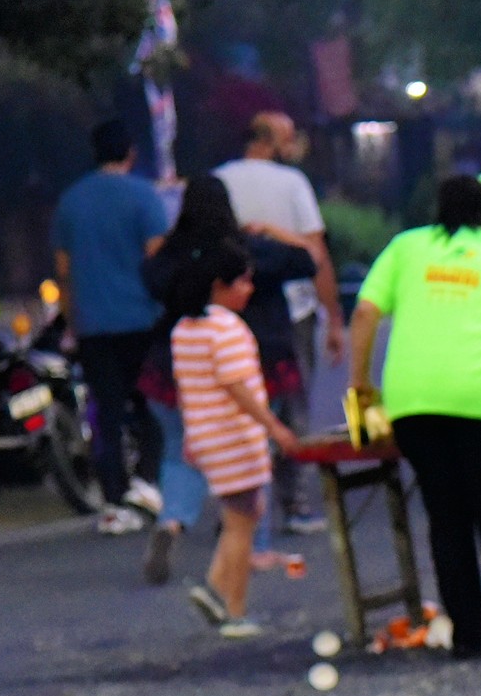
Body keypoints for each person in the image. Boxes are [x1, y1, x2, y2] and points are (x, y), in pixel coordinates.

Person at [349, 177, 481, 658]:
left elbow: (364, 314)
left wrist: (362, 387)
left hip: (412, 403)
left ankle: (468, 635)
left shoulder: (406, 247)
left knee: (446, 516)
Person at [139, 178, 317, 584]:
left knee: (178, 452)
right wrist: (272, 231)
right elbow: (307, 260)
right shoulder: (245, 251)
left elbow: (149, 278)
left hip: (176, 367)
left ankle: (172, 521)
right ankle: (254, 544)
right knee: (252, 452)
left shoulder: (173, 255)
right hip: (254, 361)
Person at [215, 110, 343, 535]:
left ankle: (239, 505)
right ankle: (296, 502)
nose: (294, 146)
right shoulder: (292, 184)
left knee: (239, 405)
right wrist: (333, 317)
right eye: (288, 138)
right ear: (269, 141)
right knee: (293, 403)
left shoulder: (219, 181)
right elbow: (316, 252)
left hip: (231, 310)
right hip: (292, 309)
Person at [169, 240, 298, 639]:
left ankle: (214, 589)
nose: (249, 289)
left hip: (206, 434)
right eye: (242, 281)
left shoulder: (184, 329)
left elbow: (186, 387)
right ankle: (234, 609)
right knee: (241, 524)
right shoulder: (226, 328)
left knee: (243, 512)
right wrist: (274, 426)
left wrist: (190, 434)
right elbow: (237, 386)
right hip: (235, 436)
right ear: (219, 285)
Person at [52, 119, 167, 533]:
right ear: (131, 152)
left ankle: (114, 498)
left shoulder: (71, 201)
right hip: (142, 320)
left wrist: (71, 321)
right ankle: (147, 480)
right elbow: (157, 257)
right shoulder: (145, 196)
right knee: (152, 403)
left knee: (107, 413)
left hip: (94, 325)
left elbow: (64, 271)